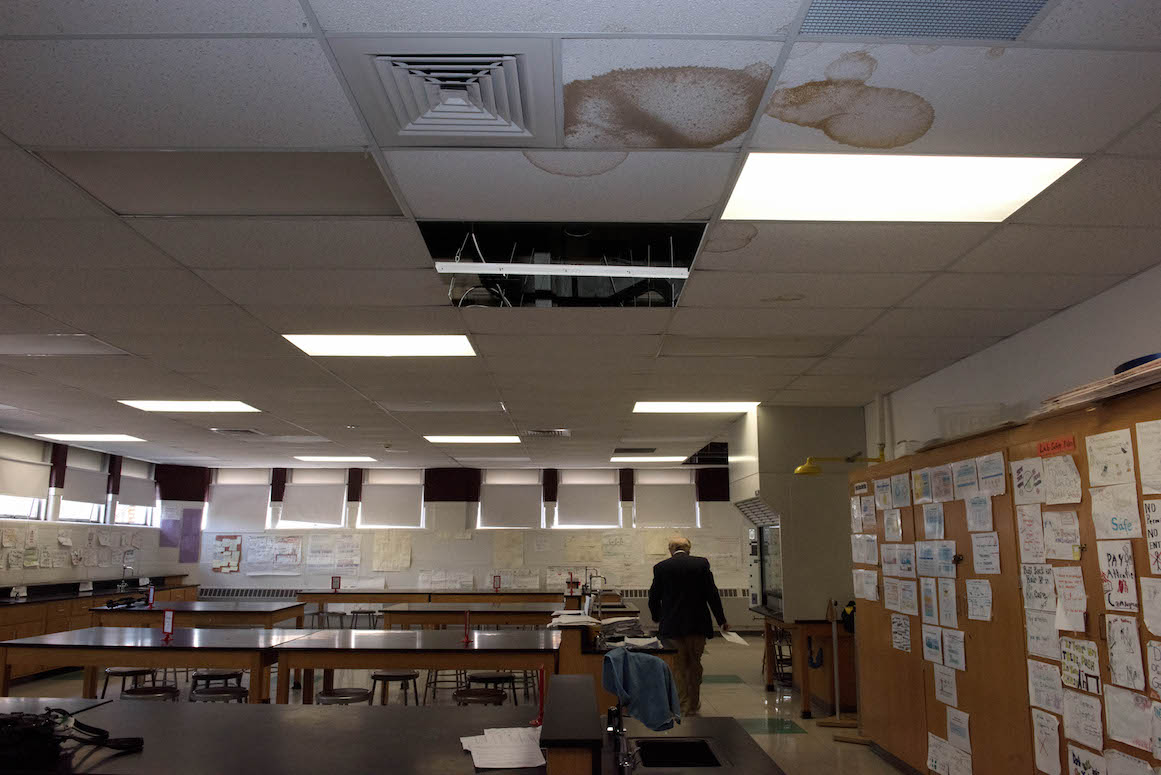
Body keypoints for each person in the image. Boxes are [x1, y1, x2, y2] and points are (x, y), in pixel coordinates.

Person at [647, 536, 729, 716]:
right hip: (697, 625)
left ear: (670, 549)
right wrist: (721, 619)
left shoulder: (661, 567)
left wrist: (657, 617)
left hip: (672, 626)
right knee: (695, 664)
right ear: (689, 548)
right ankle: (694, 704)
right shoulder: (701, 564)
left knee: (678, 667)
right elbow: (712, 594)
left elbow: (654, 597)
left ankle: (682, 706)